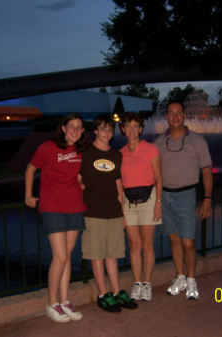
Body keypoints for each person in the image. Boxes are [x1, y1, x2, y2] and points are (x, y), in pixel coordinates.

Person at [24, 113, 89, 323]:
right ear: (63, 128)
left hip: (75, 205)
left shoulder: (81, 150)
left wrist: (84, 184)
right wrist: (28, 194)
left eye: (79, 127)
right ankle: (51, 303)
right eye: (71, 126)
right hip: (52, 206)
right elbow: (31, 168)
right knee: (60, 256)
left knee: (68, 255)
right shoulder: (47, 148)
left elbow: (79, 177)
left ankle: (64, 300)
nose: (75, 130)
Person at [79, 114, 138, 312]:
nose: (107, 133)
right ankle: (103, 294)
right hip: (93, 211)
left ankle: (116, 290)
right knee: (97, 254)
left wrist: (122, 212)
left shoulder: (115, 155)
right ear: (95, 131)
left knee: (112, 254)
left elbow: (118, 184)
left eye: (110, 129)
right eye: (103, 129)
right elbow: (76, 178)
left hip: (113, 211)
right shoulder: (85, 153)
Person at [154, 101, 213, 300]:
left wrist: (207, 198)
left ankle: (191, 279)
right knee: (173, 239)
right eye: (171, 113)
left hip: (186, 195)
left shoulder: (198, 141)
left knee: (188, 242)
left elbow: (206, 171)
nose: (175, 116)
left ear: (184, 115)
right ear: (167, 117)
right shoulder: (159, 142)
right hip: (165, 195)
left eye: (179, 113)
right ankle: (180, 276)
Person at [119, 112, 162, 301]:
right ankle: (137, 283)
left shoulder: (150, 149)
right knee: (134, 245)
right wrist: (120, 208)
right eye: (128, 126)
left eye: (135, 126)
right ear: (122, 129)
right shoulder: (120, 153)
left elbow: (159, 178)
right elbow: (119, 183)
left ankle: (147, 283)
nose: (132, 130)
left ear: (141, 129)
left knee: (147, 245)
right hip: (128, 202)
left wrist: (158, 203)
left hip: (149, 200)